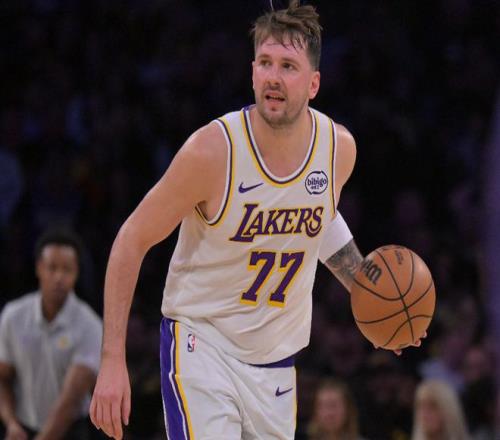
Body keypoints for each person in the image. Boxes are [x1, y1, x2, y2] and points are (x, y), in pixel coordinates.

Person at [90, 1, 425, 439]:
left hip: (275, 365)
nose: (273, 76)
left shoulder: (338, 149)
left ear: (314, 83)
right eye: (265, 63)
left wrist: (372, 293)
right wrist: (112, 359)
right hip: (202, 345)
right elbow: (132, 238)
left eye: (288, 66)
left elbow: (318, 219)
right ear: (252, 73)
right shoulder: (212, 151)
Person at [0, 229, 103, 440]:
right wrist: (11, 423)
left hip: (72, 430)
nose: (58, 277)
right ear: (39, 268)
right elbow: (2, 377)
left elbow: (72, 398)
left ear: (76, 273)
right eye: (52, 267)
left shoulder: (90, 325)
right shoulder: (13, 316)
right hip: (22, 428)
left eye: (67, 269)